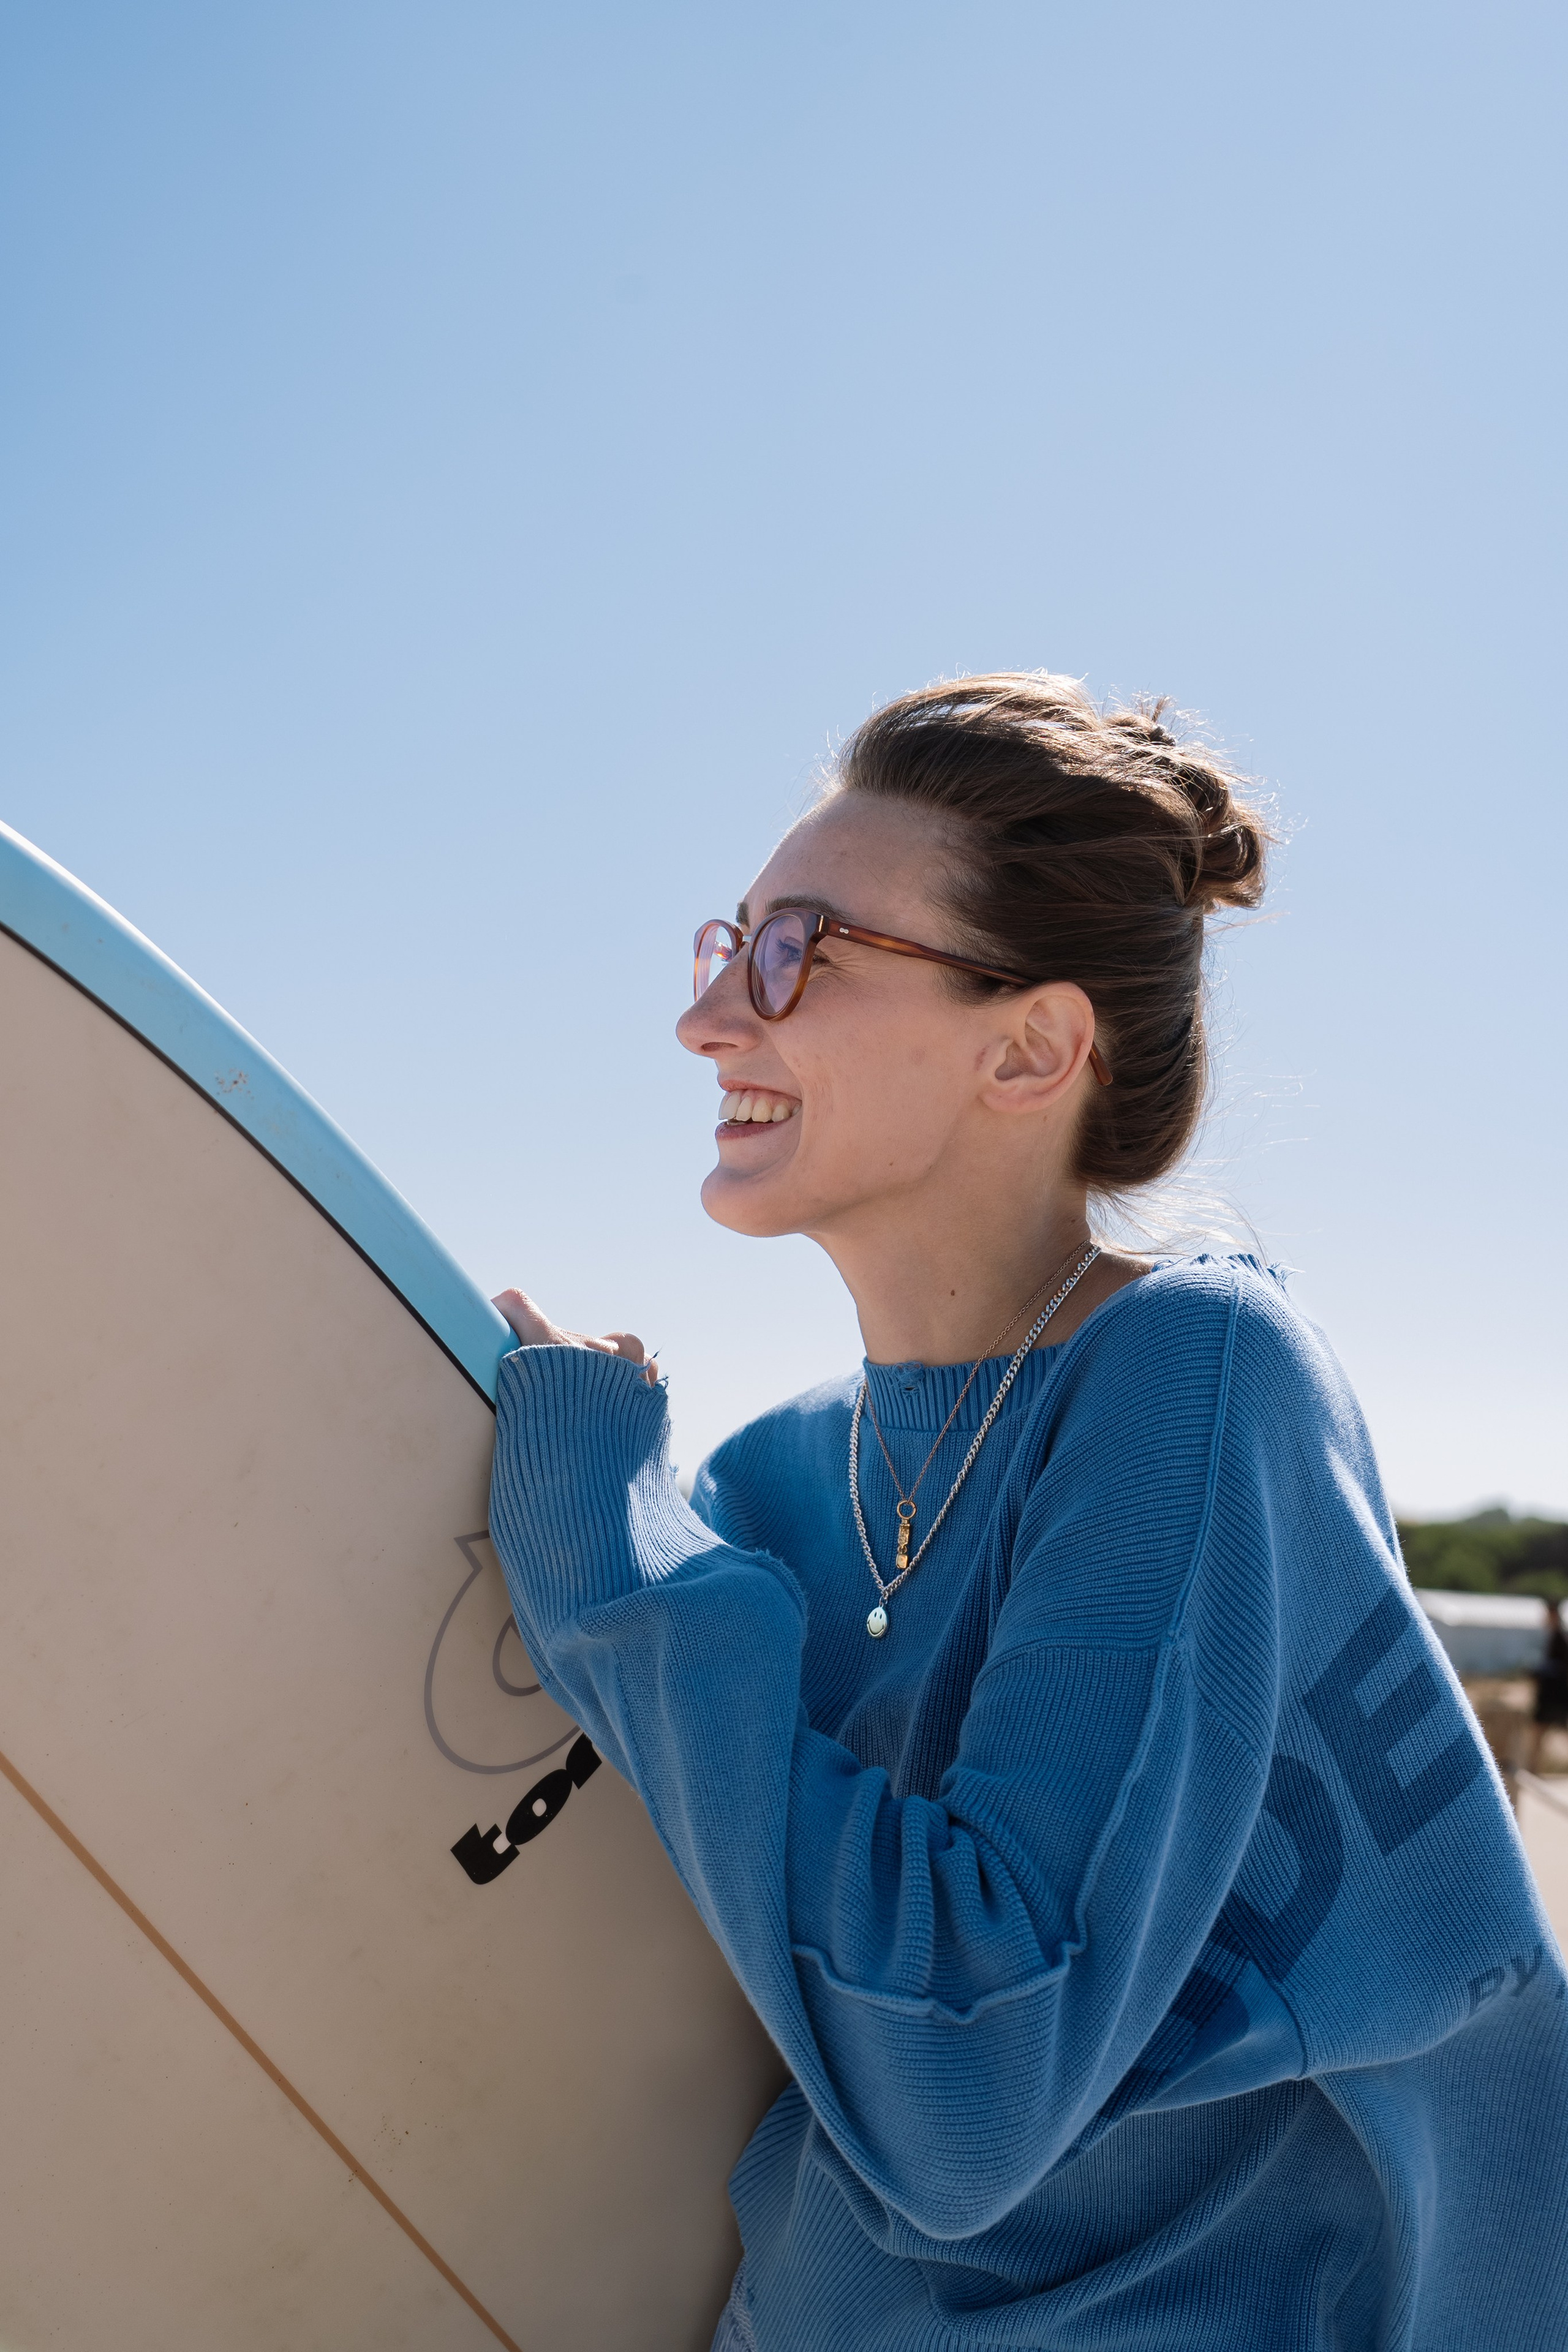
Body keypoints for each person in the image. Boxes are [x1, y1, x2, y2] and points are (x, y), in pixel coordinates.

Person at [488, 675, 1566, 2351]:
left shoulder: (1196, 1372)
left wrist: (617, 1571)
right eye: (726, 945)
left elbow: (965, 2083)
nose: (711, 1020)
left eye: (802, 952)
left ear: (1032, 1048)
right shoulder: (769, 1479)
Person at [1529, 1597, 1568, 1775]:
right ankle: (1534, 1771)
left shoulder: (1560, 1637)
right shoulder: (1554, 1636)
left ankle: (1533, 1770)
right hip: (1552, 1694)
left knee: (1540, 1732)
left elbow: (1561, 1668)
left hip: (1555, 1696)